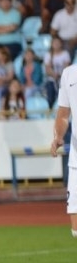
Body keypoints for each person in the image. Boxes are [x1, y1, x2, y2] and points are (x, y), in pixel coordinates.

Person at [52, 63, 77, 237]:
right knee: (75, 230)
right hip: (76, 159)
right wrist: (58, 136)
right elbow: (63, 114)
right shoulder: (69, 74)